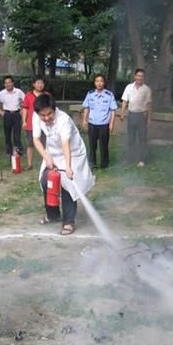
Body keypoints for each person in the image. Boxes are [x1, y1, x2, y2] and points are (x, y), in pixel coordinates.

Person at [33, 94, 94, 236]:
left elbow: (65, 143)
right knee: (46, 180)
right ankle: (53, 215)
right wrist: (46, 157)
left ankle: (68, 221)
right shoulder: (36, 116)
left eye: (49, 114)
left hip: (72, 153)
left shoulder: (63, 120)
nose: (46, 118)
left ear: (54, 110)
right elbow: (36, 139)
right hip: (53, 153)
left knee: (67, 184)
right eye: (43, 115)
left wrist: (67, 167)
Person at [82, 74, 117, 170]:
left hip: (104, 124)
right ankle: (92, 163)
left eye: (101, 81)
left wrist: (111, 123)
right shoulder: (90, 94)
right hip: (92, 123)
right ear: (94, 83)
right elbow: (86, 107)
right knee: (92, 145)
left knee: (104, 145)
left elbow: (113, 110)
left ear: (104, 83)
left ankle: (104, 164)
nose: (99, 83)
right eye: (97, 81)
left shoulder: (109, 95)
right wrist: (84, 119)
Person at [120, 68, 152, 167]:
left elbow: (149, 105)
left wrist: (149, 119)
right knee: (131, 138)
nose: (140, 78)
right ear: (135, 76)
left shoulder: (146, 89)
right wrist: (122, 114)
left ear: (144, 77)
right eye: (138, 75)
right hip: (131, 115)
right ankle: (130, 158)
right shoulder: (129, 87)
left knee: (142, 139)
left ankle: (141, 160)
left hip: (142, 116)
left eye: (142, 76)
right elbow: (124, 101)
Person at [0, 75, 25, 157]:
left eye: (9, 82)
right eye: (6, 83)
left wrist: (22, 109)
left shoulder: (18, 92)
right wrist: (0, 111)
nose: (8, 84)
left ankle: (19, 150)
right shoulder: (2, 93)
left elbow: (25, 100)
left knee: (17, 134)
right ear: (4, 84)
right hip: (7, 114)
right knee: (7, 134)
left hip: (17, 114)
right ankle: (9, 151)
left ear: (13, 83)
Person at [22, 75, 49, 170]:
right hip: (31, 124)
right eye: (38, 83)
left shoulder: (47, 95)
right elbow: (25, 109)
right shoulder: (28, 95)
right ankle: (29, 164)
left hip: (45, 123)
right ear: (33, 84)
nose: (40, 85)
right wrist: (24, 121)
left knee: (46, 144)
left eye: (41, 83)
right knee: (30, 144)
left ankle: (46, 162)